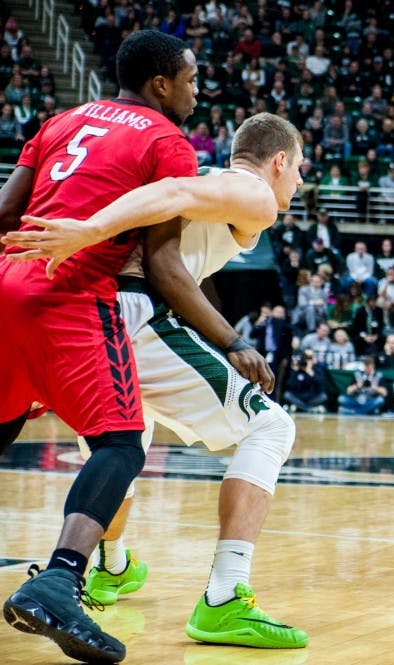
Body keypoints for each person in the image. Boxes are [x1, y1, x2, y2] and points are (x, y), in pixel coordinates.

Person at [5, 113, 309, 649]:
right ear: (279, 160)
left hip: (72, 307)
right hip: (130, 312)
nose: (300, 182)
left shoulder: (205, 176)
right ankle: (225, 596)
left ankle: (111, 566)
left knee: (120, 447)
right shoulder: (251, 190)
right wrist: (93, 232)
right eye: (300, 168)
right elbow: (169, 205)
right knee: (271, 429)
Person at [0, 30, 199, 663]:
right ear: (161, 84)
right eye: (191, 80)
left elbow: (7, 210)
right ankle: (61, 578)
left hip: (8, 282)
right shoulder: (168, 143)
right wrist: (228, 336)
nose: (197, 92)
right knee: (119, 442)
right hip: (74, 294)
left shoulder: (61, 120)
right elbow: (164, 262)